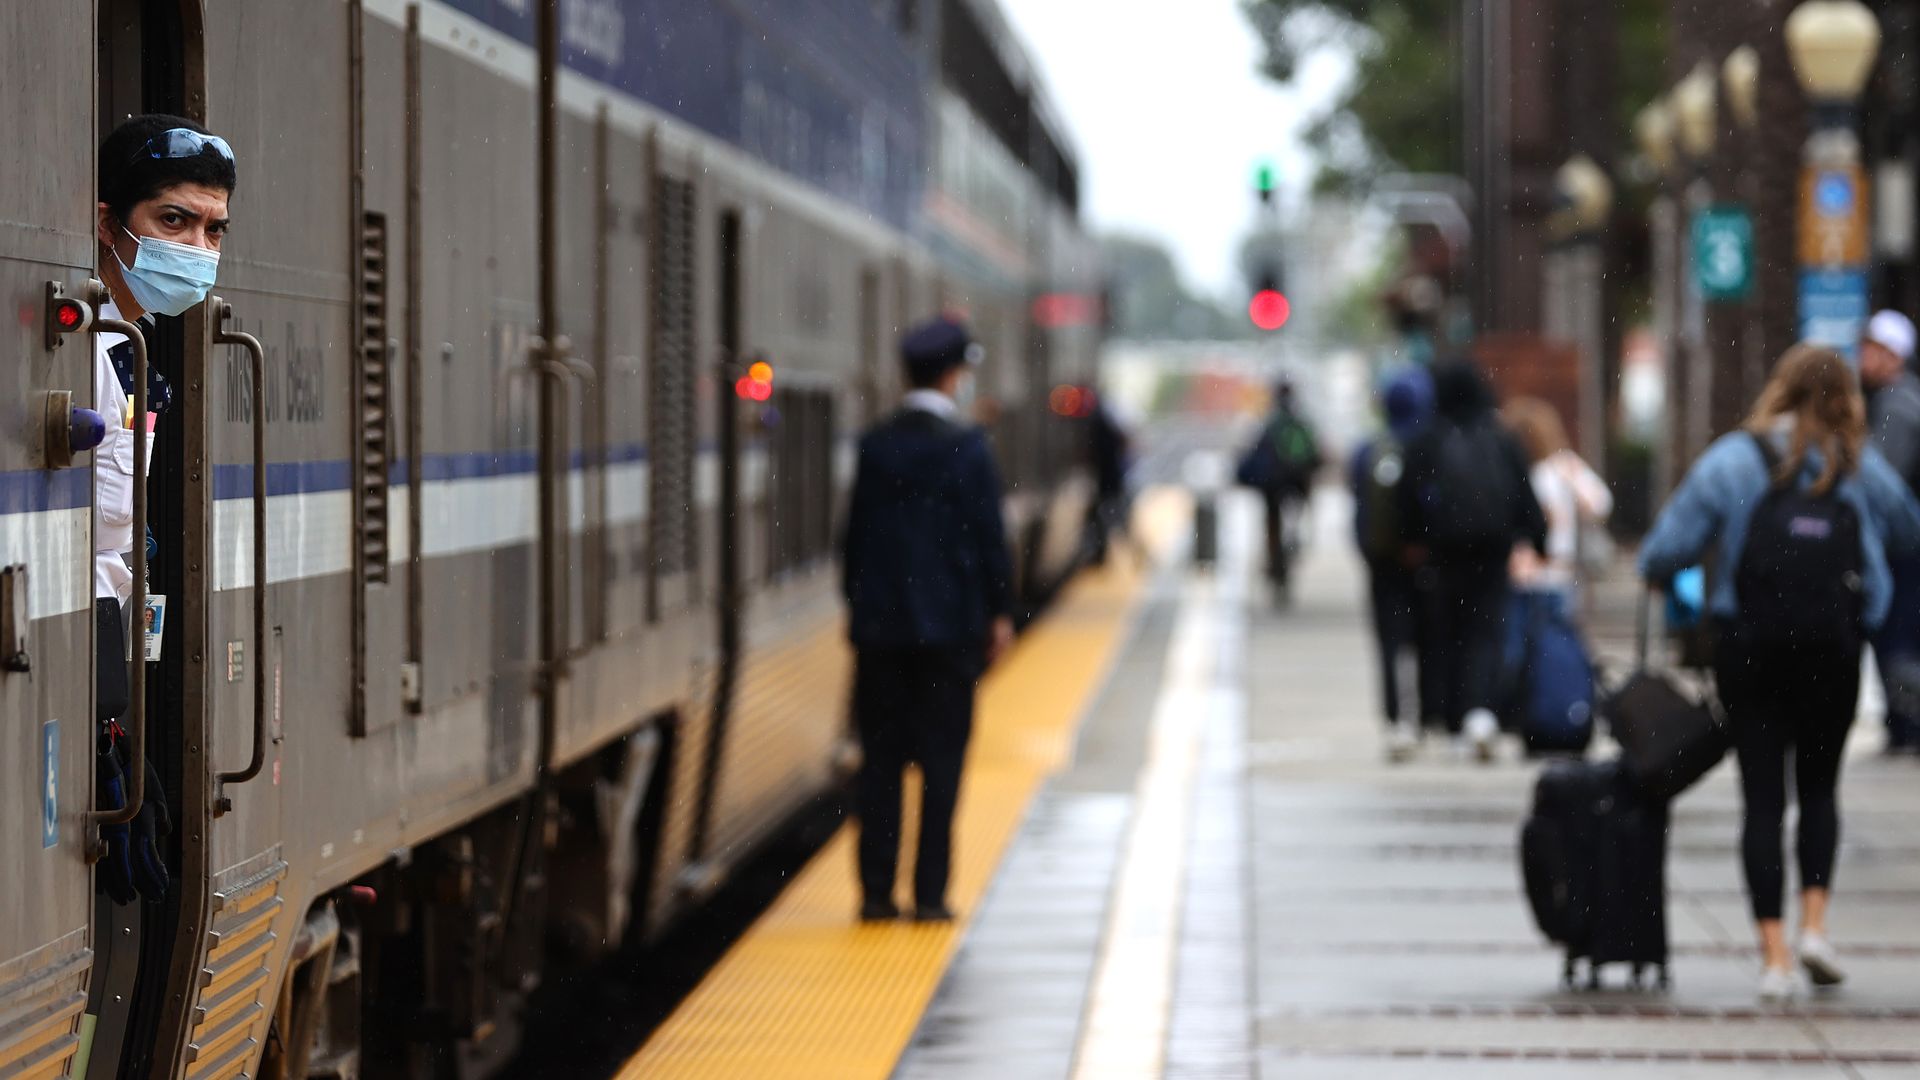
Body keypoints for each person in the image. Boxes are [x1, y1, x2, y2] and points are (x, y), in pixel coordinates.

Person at [1640, 344, 1920, 1002]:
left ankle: (1773, 956)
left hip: (1750, 647)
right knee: (1820, 792)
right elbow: (1909, 528)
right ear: (1846, 399)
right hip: (1834, 646)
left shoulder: (1735, 460)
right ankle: (1815, 926)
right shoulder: (1857, 464)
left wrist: (1680, 579)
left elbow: (1663, 550)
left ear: (1779, 388)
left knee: (1763, 800)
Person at [90, 115, 235, 906]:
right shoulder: (77, 351)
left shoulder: (129, 352)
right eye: (173, 221)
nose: (197, 250)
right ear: (105, 221)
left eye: (213, 228)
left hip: (109, 677)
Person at [841, 317, 1015, 923]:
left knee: (881, 762)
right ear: (953, 374)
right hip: (950, 632)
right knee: (943, 762)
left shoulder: (874, 444)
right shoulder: (968, 448)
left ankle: (875, 892)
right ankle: (932, 894)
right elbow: (991, 539)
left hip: (881, 633)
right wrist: (999, 612)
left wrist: (860, 609)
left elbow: (855, 540)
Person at [1398, 360, 1545, 761]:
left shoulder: (1427, 439)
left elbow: (1408, 498)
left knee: (1445, 634)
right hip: (1493, 551)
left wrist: (1411, 542)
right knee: (1485, 631)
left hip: (1441, 553)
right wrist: (1538, 541)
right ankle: (1481, 713)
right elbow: (1524, 495)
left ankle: (1448, 717)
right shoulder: (1501, 439)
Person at [1349, 367, 1433, 761]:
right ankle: (1426, 715)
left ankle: (1394, 717)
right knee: (1428, 637)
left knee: (1388, 639)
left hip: (1380, 560)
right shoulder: (1428, 444)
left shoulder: (1370, 448)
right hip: (1424, 559)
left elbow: (1357, 501)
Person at [1858, 310, 1920, 752]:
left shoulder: (1896, 407)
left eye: (1873, 349)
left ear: (1893, 355)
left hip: (1905, 547)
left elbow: (1882, 479)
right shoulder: (1901, 400)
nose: (1863, 357)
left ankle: (1907, 724)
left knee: (1897, 636)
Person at [1503, 397, 1613, 611]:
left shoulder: (1524, 471)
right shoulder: (1561, 467)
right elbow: (1601, 504)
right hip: (1557, 573)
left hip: (1528, 576)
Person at [1238, 378, 1322, 600]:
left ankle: (1274, 557)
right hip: (1297, 483)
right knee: (1297, 517)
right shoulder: (1300, 422)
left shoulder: (1269, 423)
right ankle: (1293, 545)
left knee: (1272, 520)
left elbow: (1253, 457)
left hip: (1273, 485)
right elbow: (1315, 456)